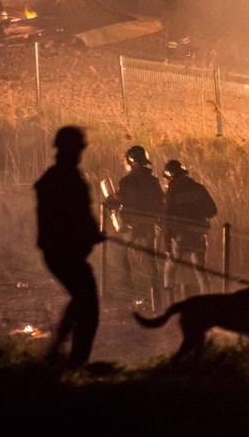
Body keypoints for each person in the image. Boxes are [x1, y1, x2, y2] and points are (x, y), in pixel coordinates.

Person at [34, 126, 105, 369]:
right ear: (71, 149)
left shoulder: (55, 177)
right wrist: (89, 233)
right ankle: (75, 361)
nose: (79, 153)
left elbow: (76, 216)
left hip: (58, 251)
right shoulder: (66, 178)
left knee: (81, 300)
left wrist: (90, 233)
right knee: (88, 305)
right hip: (64, 251)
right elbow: (72, 216)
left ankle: (58, 354)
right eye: (78, 148)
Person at [105, 145, 164, 299]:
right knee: (150, 260)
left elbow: (120, 200)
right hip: (148, 225)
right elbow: (161, 202)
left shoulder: (127, 180)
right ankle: (156, 294)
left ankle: (127, 287)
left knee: (119, 250)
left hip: (130, 225)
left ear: (131, 162)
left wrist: (111, 202)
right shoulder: (153, 181)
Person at [161, 159, 217, 299]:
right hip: (199, 235)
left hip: (180, 237)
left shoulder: (172, 193)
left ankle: (170, 300)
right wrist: (199, 215)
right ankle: (207, 304)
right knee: (201, 271)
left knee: (170, 269)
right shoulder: (199, 188)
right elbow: (213, 210)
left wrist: (167, 245)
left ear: (171, 177)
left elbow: (166, 220)